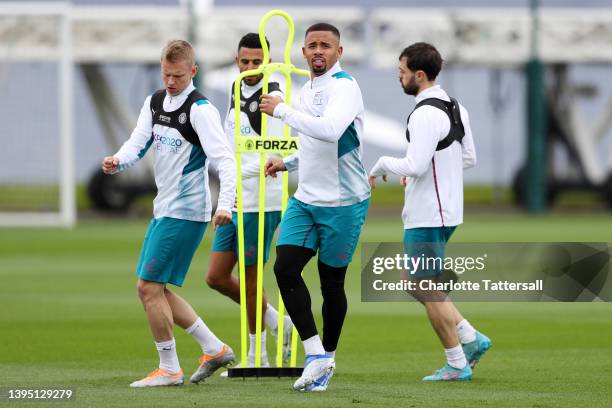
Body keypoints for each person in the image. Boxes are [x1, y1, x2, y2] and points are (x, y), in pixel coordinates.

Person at [101, 39, 236, 387]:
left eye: (178, 75)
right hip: (166, 208)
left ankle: (170, 369)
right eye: (166, 74)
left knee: (148, 288)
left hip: (187, 210)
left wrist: (225, 204)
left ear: (193, 72)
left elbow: (224, 160)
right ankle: (214, 348)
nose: (171, 81)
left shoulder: (201, 110)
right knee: (153, 288)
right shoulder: (155, 102)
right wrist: (119, 160)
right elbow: (139, 140)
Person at [368, 42, 491, 382]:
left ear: (419, 75)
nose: (399, 77)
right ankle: (470, 336)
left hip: (427, 213)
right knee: (418, 282)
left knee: (423, 285)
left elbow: (416, 164)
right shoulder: (455, 105)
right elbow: (468, 158)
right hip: (449, 211)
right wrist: (426, 174)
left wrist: (380, 165)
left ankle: (456, 363)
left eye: (402, 72)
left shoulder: (424, 113)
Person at [259, 22, 370, 392]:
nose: (318, 50)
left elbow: (330, 131)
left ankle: (329, 358)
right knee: (285, 268)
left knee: (331, 284)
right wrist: (286, 162)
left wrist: (281, 112)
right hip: (306, 200)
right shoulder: (306, 89)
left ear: (339, 52)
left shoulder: (345, 87)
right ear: (303, 53)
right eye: (313, 45)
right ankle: (315, 355)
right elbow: (311, 143)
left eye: (326, 45)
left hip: (344, 203)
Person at [205, 33, 293, 370]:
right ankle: (277, 322)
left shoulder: (274, 92)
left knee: (252, 278)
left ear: (267, 60)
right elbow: (231, 143)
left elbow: (276, 149)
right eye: (245, 62)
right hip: (235, 197)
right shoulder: (235, 87)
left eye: (258, 62)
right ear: (237, 60)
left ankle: (259, 356)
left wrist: (237, 176)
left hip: (261, 199)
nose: (251, 68)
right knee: (215, 276)